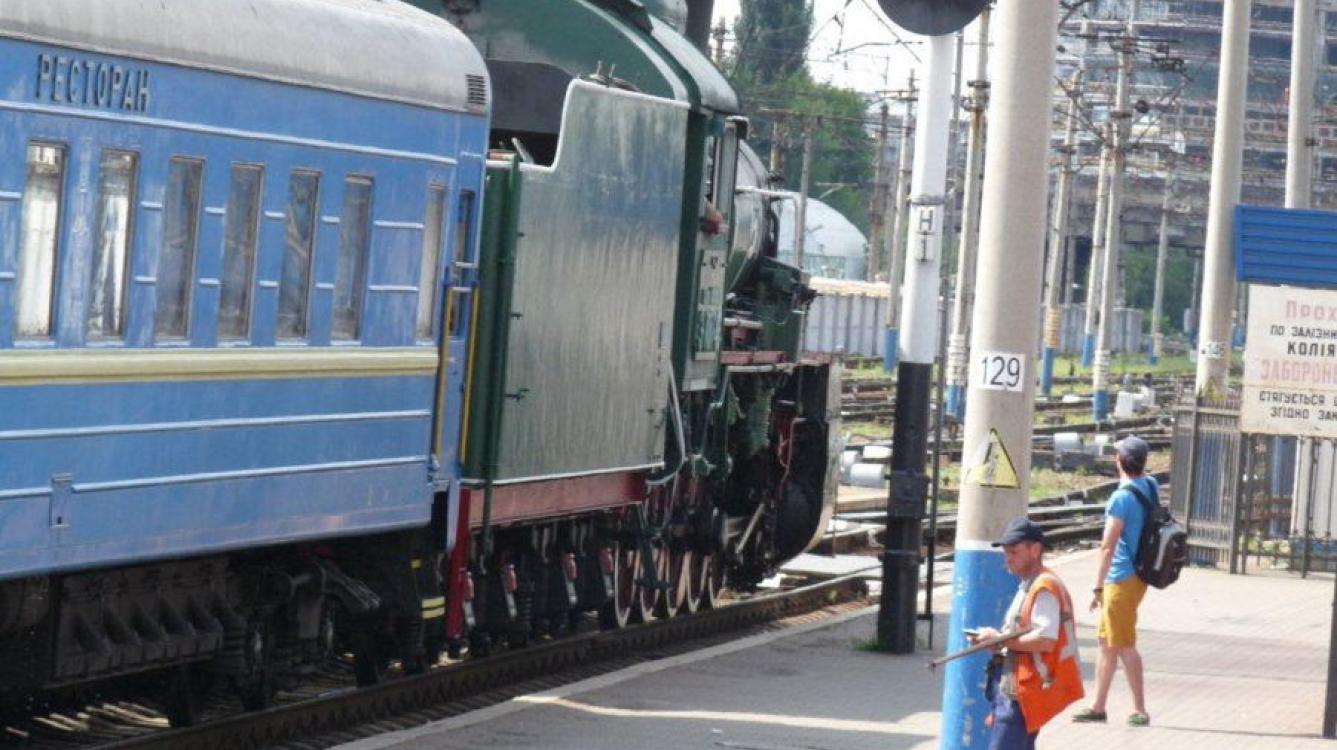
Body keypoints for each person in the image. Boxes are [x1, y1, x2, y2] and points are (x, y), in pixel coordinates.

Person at [969, 518, 1083, 750]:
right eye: (1006, 552)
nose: (1008, 558)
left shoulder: (1044, 587)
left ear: (1035, 550)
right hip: (1019, 689)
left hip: (1022, 693)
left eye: (1014, 551)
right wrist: (998, 643)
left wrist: (1001, 641)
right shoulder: (1031, 585)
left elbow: (1044, 640)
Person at [1072, 435, 1156, 726]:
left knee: (1123, 644)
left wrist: (1098, 586)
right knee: (1107, 642)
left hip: (1120, 578)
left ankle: (1139, 709)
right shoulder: (1149, 486)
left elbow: (1107, 546)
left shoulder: (1121, 498)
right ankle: (1098, 706)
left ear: (1118, 460)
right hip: (1139, 575)